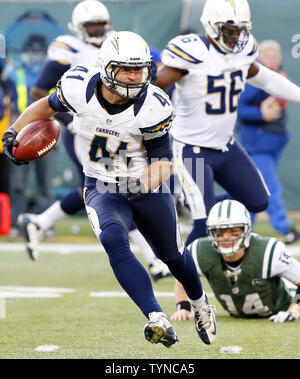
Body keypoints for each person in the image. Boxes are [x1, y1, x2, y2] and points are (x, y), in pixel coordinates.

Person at [2, 31, 217, 347]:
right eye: (126, 68)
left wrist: (139, 184)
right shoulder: (78, 87)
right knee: (114, 239)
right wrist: (13, 131)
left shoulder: (152, 105)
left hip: (146, 186)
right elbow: (44, 107)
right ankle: (156, 316)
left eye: (139, 68)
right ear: (106, 67)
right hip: (101, 185)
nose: (134, 75)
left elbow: (164, 163)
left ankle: (201, 305)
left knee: (173, 256)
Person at [17, 0, 170, 281]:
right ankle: (153, 260)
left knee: (111, 188)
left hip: (120, 126)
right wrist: (70, 122)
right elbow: (41, 90)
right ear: (77, 28)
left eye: (100, 24)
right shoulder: (68, 48)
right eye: (91, 26)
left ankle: (39, 222)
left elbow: (153, 72)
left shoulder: (118, 45)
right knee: (110, 188)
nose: (97, 30)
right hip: (87, 129)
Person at [155, 0, 300, 246]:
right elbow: (156, 86)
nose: (235, 37)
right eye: (229, 30)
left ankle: (190, 200)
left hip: (226, 146)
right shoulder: (191, 52)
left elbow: (265, 79)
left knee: (257, 201)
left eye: (240, 30)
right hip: (192, 149)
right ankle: (184, 280)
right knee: (203, 224)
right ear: (210, 25)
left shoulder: (243, 53)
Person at [171, 199, 300, 322]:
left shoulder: (268, 251)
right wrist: (183, 306)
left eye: (233, 232)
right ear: (211, 233)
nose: (226, 237)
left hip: (280, 309)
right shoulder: (199, 249)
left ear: (246, 231)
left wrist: (293, 310)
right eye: (220, 232)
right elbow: (183, 276)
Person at [237, 40, 300, 245]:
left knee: (253, 186)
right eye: (268, 56)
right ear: (260, 58)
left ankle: (246, 226)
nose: (273, 60)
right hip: (257, 143)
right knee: (268, 185)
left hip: (274, 141)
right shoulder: (254, 79)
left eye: (276, 55)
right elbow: (238, 108)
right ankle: (284, 227)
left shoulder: (278, 77)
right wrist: (261, 113)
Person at [6, 34, 56, 238]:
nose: (34, 53)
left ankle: (45, 224)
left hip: (47, 125)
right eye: (31, 48)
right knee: (18, 183)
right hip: (20, 124)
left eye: (38, 49)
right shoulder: (14, 71)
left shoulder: (53, 71)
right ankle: (17, 223)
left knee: (46, 182)